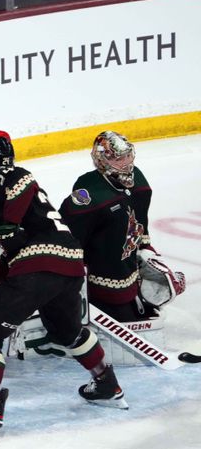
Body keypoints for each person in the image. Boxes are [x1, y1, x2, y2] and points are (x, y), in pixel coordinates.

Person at [0, 137, 127, 443]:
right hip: (69, 265)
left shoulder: (2, 177)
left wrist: (10, 224)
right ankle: (107, 384)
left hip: (40, 264)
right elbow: (5, 258)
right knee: (67, 332)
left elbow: (23, 181)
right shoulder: (31, 211)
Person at [59, 131, 186, 322]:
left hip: (127, 269)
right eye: (118, 159)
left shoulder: (140, 184)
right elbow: (69, 233)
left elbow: (140, 222)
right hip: (101, 274)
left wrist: (145, 249)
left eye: (127, 155)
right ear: (102, 161)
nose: (126, 162)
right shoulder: (89, 191)